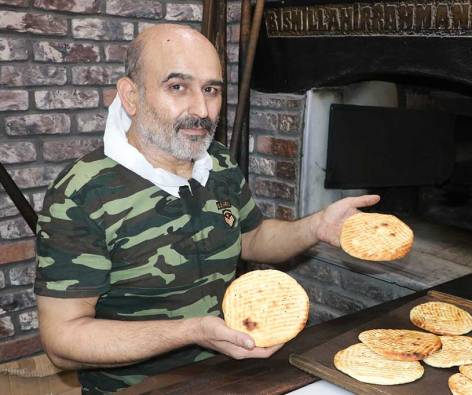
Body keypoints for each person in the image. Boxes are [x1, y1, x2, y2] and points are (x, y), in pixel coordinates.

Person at [34, 24, 379, 393]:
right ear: (131, 96)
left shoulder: (216, 161)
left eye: (211, 90)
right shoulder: (81, 193)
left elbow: (253, 237)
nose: (201, 110)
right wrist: (193, 330)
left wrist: (317, 227)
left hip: (232, 373)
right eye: (177, 87)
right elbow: (63, 341)